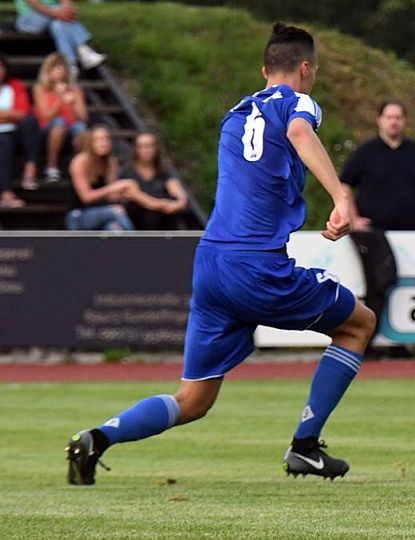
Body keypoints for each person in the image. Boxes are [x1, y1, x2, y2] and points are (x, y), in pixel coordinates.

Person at [65, 23, 376, 485]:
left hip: (211, 264)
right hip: (256, 264)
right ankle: (305, 447)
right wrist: (341, 197)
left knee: (193, 399)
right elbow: (298, 131)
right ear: (305, 69)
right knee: (359, 324)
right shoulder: (298, 101)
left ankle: (96, 438)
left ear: (263, 70)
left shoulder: (235, 114)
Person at [340, 101, 415, 353]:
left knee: (407, 287)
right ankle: (369, 340)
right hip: (375, 234)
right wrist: (353, 218)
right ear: (379, 120)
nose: (394, 122)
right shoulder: (366, 152)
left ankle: (402, 340)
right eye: (389, 117)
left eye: (398, 117)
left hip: (411, 233)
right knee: (380, 283)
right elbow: (345, 184)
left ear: (404, 120)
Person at [65, 125, 137, 230]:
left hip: (104, 210)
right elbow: (86, 197)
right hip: (79, 214)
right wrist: (113, 187)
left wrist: (123, 194)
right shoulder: (80, 161)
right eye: (98, 140)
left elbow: (111, 196)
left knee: (114, 228)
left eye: (106, 139)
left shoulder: (111, 162)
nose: (103, 143)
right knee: (115, 211)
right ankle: (136, 240)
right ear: (90, 143)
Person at [14, 0, 106, 79]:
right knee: (59, 12)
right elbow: (35, 5)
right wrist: (59, 12)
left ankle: (70, 64)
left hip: (53, 16)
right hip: (28, 20)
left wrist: (67, 8)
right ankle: (83, 48)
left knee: (57, 25)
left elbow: (66, 2)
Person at [33, 53, 88, 182]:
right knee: (59, 122)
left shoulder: (75, 90)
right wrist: (60, 98)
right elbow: (46, 116)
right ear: (48, 70)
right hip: (47, 128)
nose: (60, 71)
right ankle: (51, 167)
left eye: (62, 68)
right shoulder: (40, 88)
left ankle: (80, 168)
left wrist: (73, 104)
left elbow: (83, 117)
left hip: (71, 126)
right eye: (56, 68)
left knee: (81, 129)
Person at [120, 132, 190, 230]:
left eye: (150, 146)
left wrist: (180, 203)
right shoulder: (127, 171)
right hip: (138, 216)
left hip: (162, 216)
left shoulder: (163, 170)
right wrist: (164, 204)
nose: (147, 150)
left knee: (172, 201)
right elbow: (139, 197)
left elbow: (176, 189)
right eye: (142, 146)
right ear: (136, 149)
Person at [0, 55, 40, 206]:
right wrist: (10, 114)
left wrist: (5, 116)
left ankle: (30, 166)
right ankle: (5, 193)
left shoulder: (15, 86)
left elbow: (23, 112)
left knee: (30, 122)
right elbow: (16, 114)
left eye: (0, 66)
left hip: (15, 131)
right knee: (4, 142)